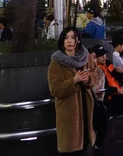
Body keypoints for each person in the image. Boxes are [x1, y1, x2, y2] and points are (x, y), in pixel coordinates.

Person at [47, 27, 96, 155]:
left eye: (73, 37)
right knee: (72, 149)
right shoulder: (56, 63)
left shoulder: (85, 57)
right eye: (66, 37)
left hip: (86, 110)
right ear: (62, 41)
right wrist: (73, 81)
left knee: (86, 146)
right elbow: (55, 90)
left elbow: (94, 77)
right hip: (69, 115)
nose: (69, 41)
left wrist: (88, 79)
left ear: (78, 40)